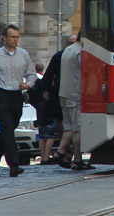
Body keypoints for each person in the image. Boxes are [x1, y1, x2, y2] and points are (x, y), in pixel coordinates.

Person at [0, 24, 36, 178]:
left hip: (16, 95)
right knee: (7, 127)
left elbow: (31, 74)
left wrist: (28, 84)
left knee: (8, 129)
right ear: (4, 38)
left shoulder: (23, 54)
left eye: (17, 37)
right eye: (12, 37)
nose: (15, 40)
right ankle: (14, 164)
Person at [55, 31, 93, 170]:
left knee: (69, 127)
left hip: (64, 92)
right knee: (78, 129)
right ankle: (77, 159)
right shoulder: (80, 52)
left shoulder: (68, 50)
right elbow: (88, 71)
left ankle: (60, 152)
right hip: (75, 94)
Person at [42, 34, 76, 165]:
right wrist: (45, 89)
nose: (72, 45)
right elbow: (49, 74)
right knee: (63, 127)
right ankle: (65, 153)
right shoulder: (59, 56)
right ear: (66, 44)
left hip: (75, 94)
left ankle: (68, 153)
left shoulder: (80, 56)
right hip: (59, 95)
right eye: (70, 43)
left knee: (73, 127)